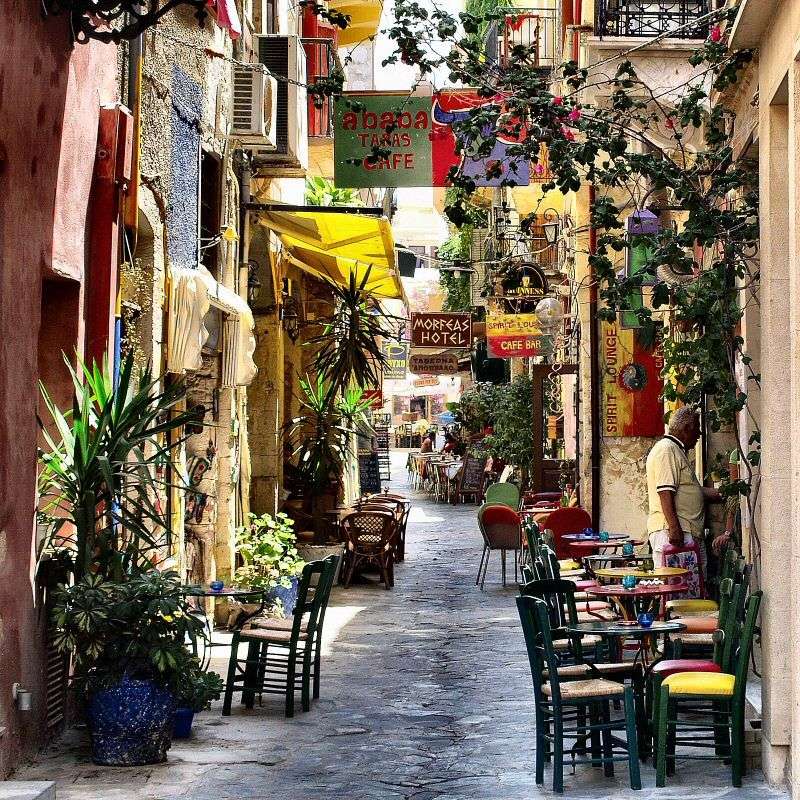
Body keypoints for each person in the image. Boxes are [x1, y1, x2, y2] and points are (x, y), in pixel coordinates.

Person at [645, 406, 721, 574]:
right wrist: (674, 527)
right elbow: (665, 491)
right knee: (677, 590)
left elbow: (692, 490)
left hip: (686, 531)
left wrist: (725, 492)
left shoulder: (676, 450)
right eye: (697, 428)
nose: (699, 434)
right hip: (676, 533)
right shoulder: (667, 449)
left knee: (692, 588)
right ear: (686, 428)